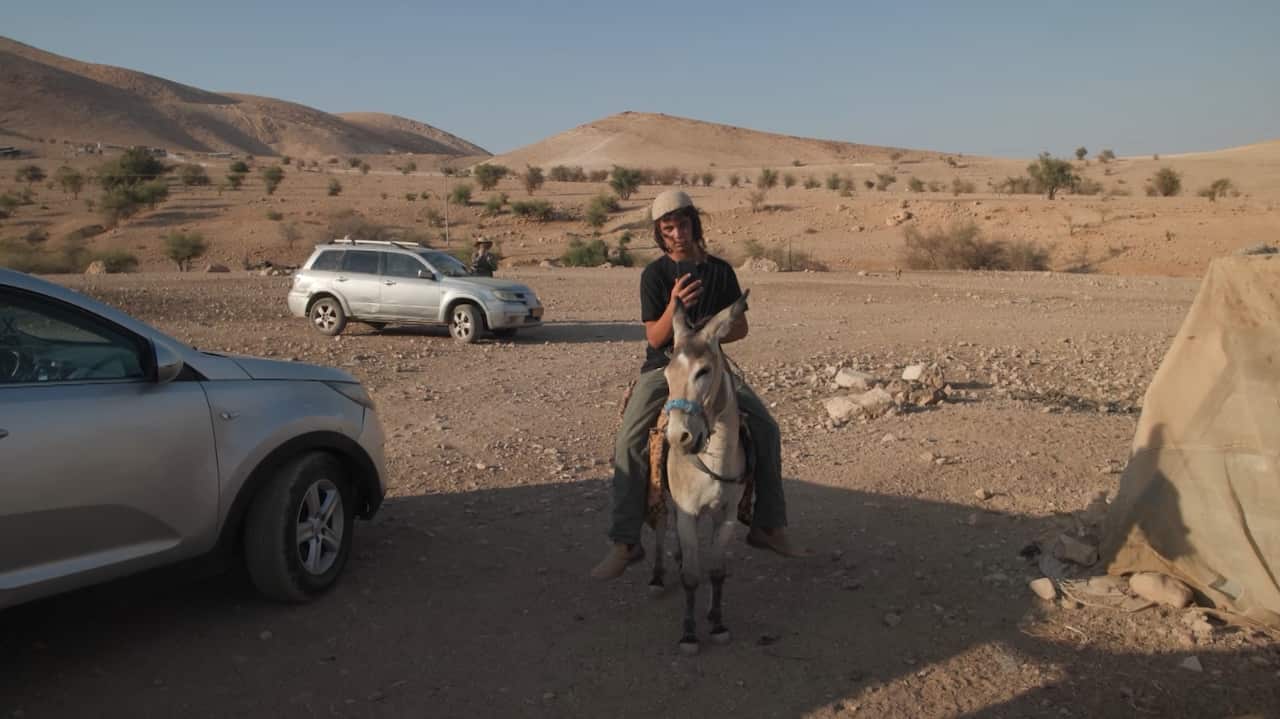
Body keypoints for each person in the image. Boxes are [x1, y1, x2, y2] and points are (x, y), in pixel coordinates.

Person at [591, 190, 800, 580]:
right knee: (629, 440)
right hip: (665, 369)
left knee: (767, 429)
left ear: (694, 224)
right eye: (667, 228)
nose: (677, 233)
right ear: (659, 233)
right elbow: (654, 338)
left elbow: (741, 327)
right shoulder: (654, 276)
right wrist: (673, 305)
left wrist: (713, 335)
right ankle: (625, 542)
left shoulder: (720, 271)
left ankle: (768, 526)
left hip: (711, 369)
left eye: (682, 224)